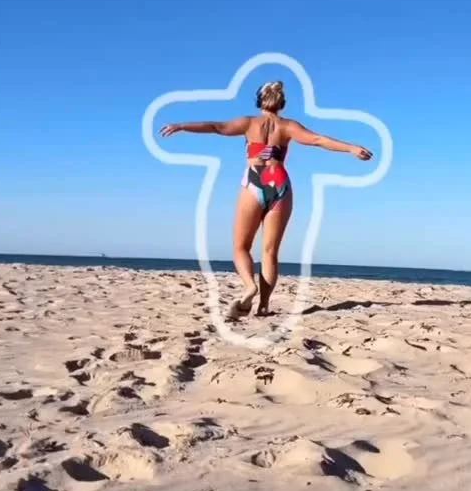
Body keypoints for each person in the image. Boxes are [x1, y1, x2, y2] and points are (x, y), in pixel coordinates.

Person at [160, 80, 373, 319]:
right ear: (282, 103)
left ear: (259, 100)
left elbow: (216, 127)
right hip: (279, 182)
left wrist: (182, 126)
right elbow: (318, 140)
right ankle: (263, 306)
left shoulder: (248, 123)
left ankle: (249, 287)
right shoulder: (288, 126)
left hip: (254, 180)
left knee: (241, 247)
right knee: (270, 252)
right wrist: (351, 148)